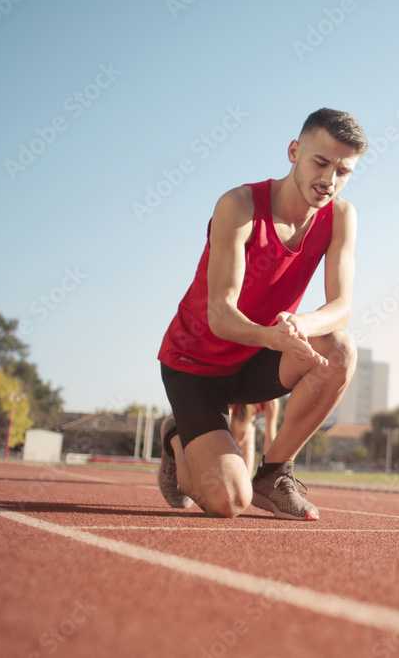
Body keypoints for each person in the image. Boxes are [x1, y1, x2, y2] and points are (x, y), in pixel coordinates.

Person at [155, 108, 365, 520]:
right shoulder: (240, 205)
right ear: (293, 152)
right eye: (320, 162)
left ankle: (273, 474)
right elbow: (220, 313)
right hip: (195, 365)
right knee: (229, 502)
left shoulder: (341, 216)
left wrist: (298, 324)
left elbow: (341, 308)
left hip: (254, 363)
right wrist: (274, 335)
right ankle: (176, 437)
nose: (329, 180)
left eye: (343, 171)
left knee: (341, 349)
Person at [228, 400, 280, 474]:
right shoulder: (231, 399)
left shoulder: (270, 401)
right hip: (228, 410)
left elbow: (270, 444)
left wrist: (272, 471)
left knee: (247, 448)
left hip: (248, 420)